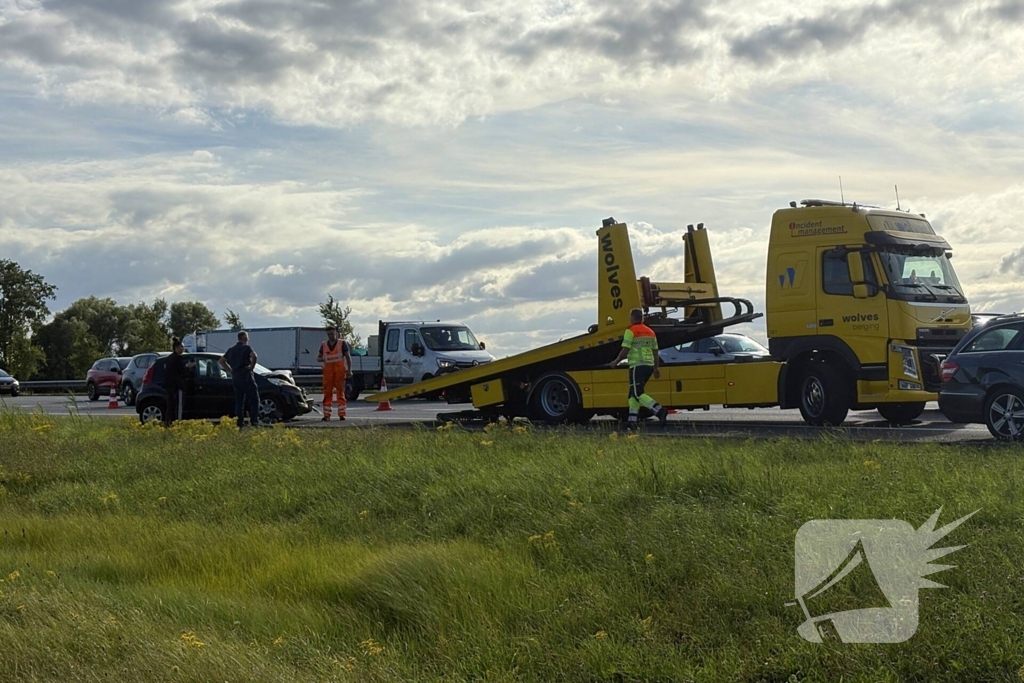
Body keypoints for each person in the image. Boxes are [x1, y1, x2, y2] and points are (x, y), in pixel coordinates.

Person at [609, 308, 668, 429]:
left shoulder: (631, 331)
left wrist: (616, 361)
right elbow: (655, 352)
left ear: (632, 317)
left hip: (637, 365)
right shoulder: (650, 332)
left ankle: (659, 410)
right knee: (632, 395)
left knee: (638, 392)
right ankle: (632, 421)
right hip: (649, 366)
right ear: (642, 318)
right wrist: (656, 368)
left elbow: (625, 349)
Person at [219, 330, 261, 428]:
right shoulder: (246, 348)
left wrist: (230, 370)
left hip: (236, 377)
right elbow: (254, 356)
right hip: (246, 376)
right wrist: (251, 367)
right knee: (254, 399)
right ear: (245, 339)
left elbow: (221, 361)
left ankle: (239, 423)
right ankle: (254, 421)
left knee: (239, 401)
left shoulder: (231, 350)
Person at [317, 326, 352, 421]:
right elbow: (318, 358)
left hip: (339, 372)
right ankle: (326, 415)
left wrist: (349, 370)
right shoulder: (324, 345)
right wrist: (323, 358)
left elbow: (348, 357)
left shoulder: (342, 343)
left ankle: (342, 414)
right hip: (328, 373)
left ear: (336, 333)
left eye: (332, 333)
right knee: (327, 393)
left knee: (340, 393)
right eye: (329, 334)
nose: (330, 336)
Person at [163, 337, 195, 426]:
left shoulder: (169, 358)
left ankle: (168, 422)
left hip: (169, 386)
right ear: (176, 348)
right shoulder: (177, 359)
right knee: (178, 406)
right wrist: (188, 367)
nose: (183, 349)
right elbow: (182, 372)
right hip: (177, 386)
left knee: (170, 406)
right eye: (181, 347)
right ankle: (178, 422)